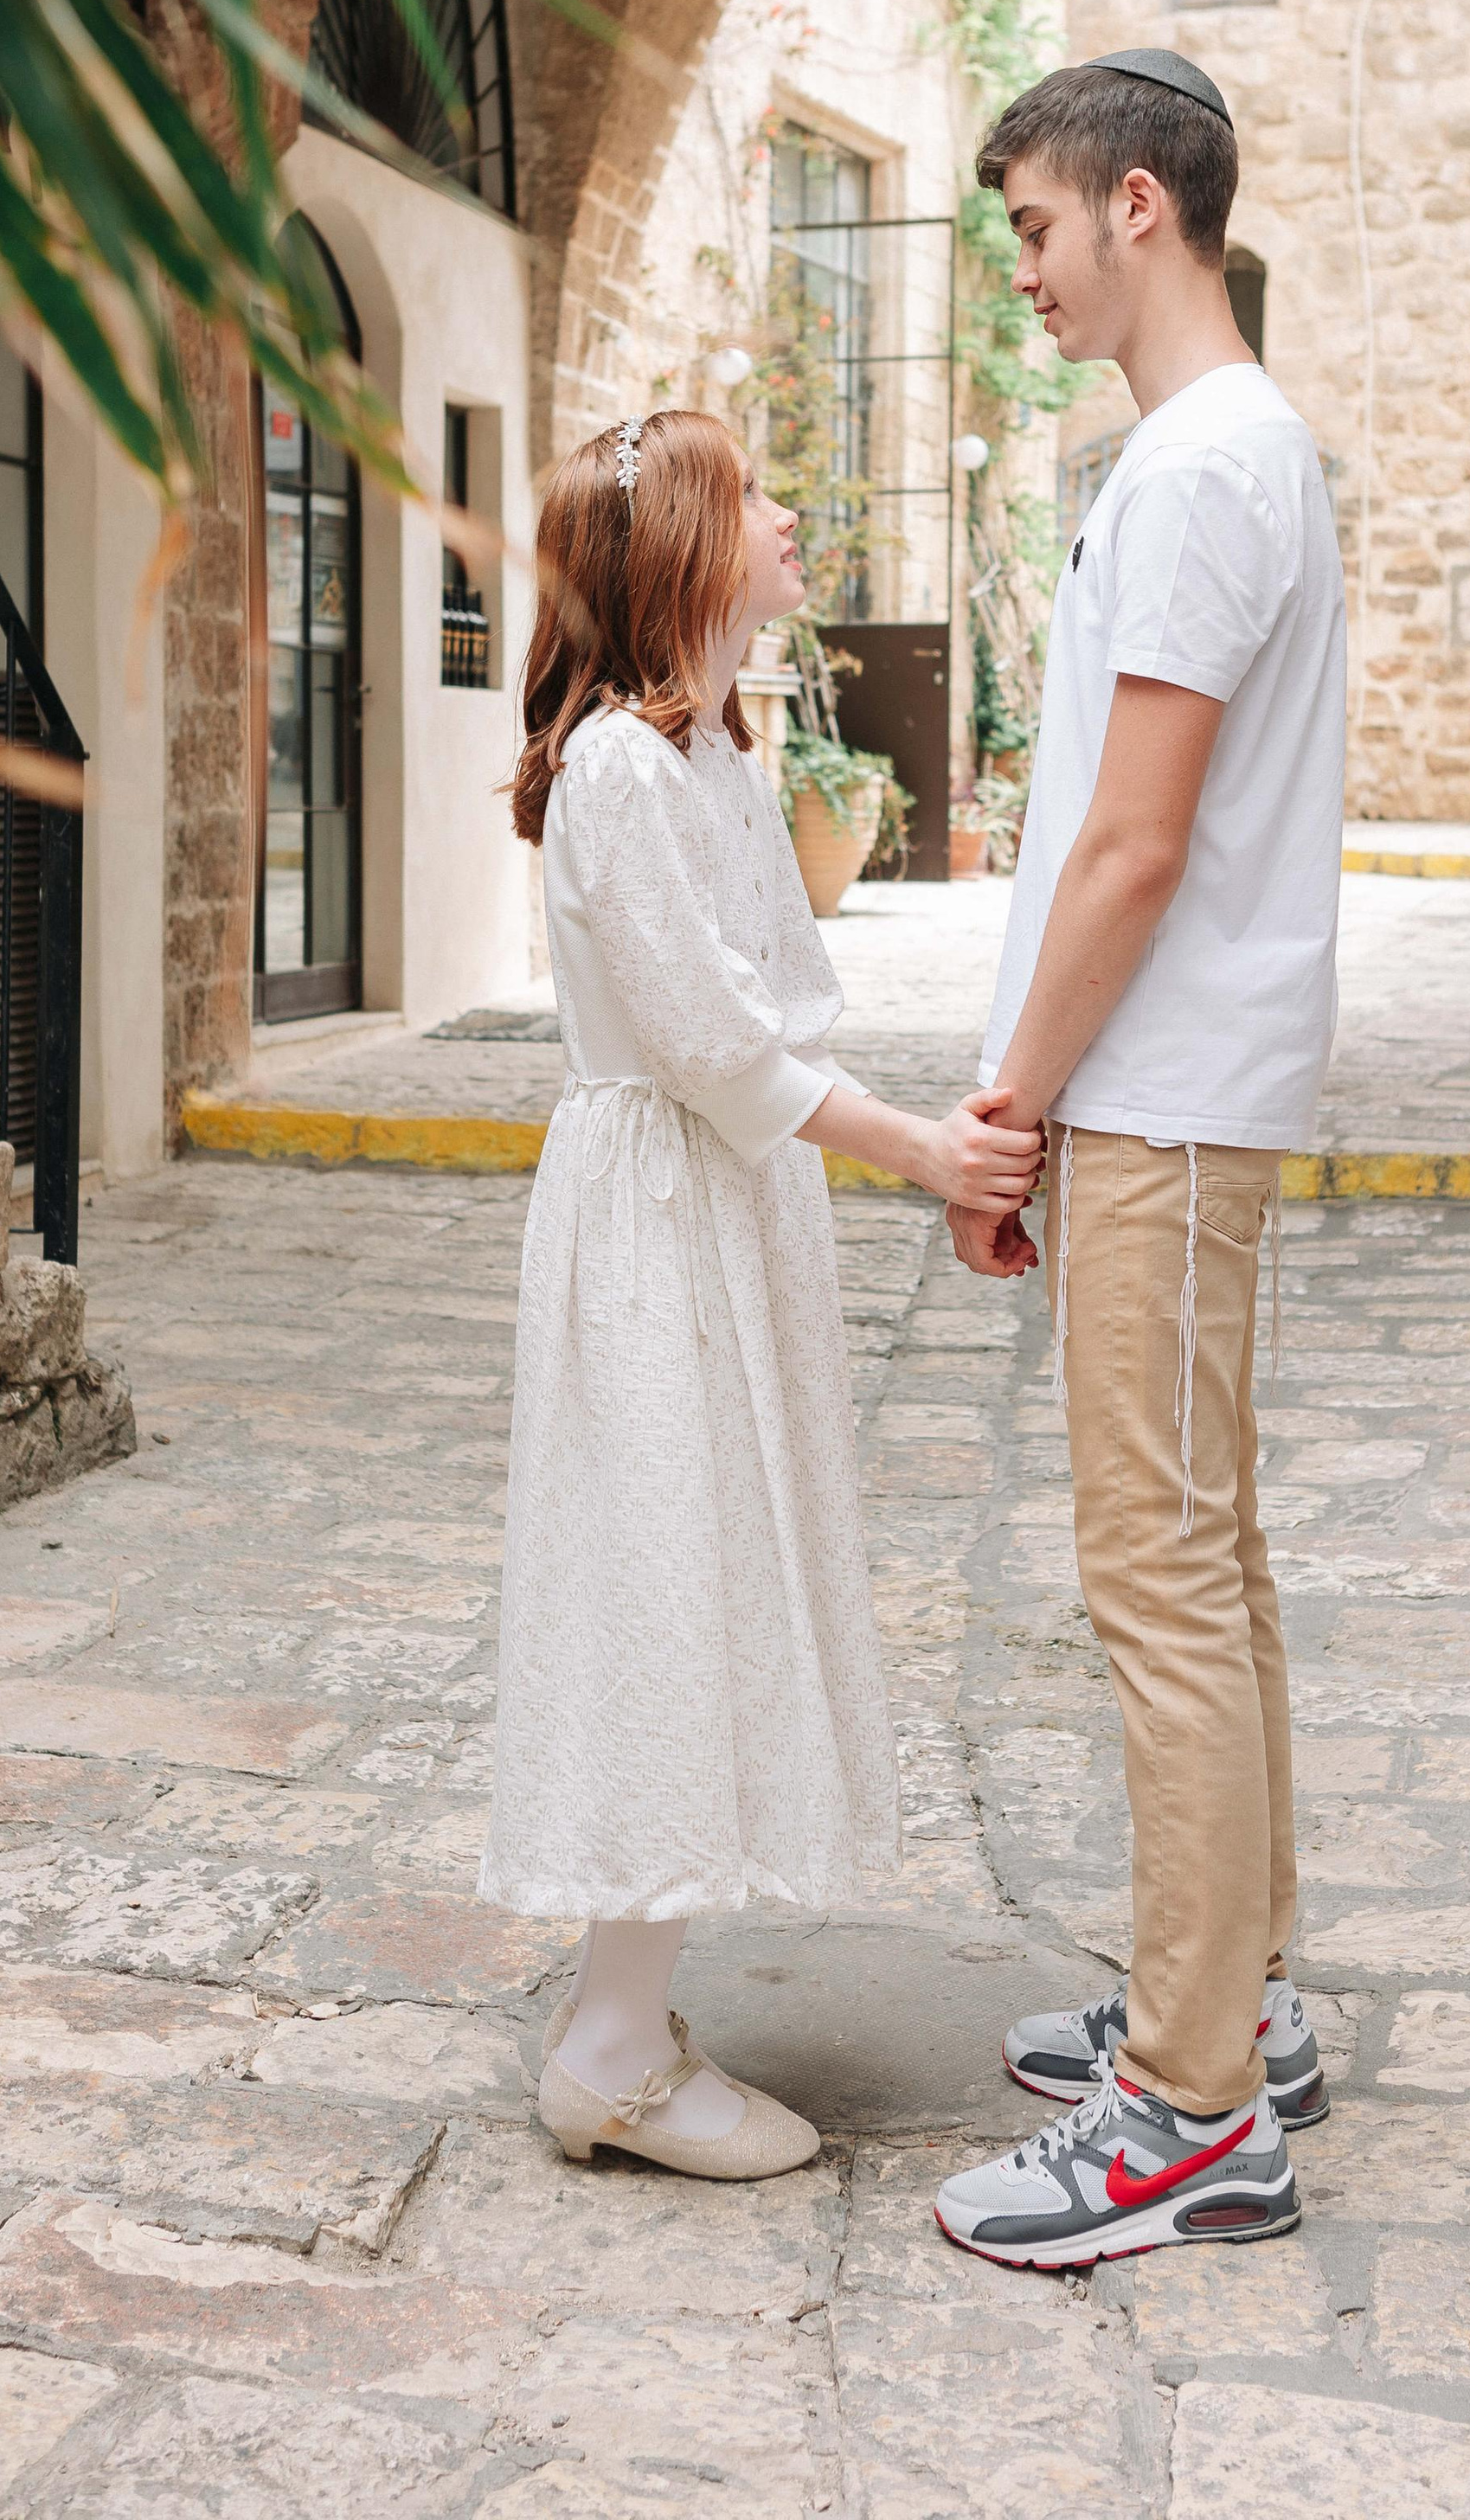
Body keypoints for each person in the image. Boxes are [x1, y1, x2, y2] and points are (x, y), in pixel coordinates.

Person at [480, 407, 1043, 2180]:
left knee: (708, 1575)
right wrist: (923, 1157)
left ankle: (627, 2010)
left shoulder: (714, 753)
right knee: (660, 1572)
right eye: (758, 498)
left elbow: (776, 1003)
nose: (795, 517)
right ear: (686, 558)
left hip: (730, 1211)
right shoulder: (614, 779)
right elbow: (716, 1053)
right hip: (659, 1213)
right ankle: (611, 2047)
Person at [929, 51, 1346, 2271]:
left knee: (1157, 1580)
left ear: (1136, 212)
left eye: (1026, 227)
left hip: (1159, 1094)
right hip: (1177, 1094)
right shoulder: (1213, 453)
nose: (1016, 269)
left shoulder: (1199, 467)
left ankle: (1190, 2112)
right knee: (1214, 1555)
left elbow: (1131, 842)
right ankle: (1233, 2005)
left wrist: (1005, 1116)